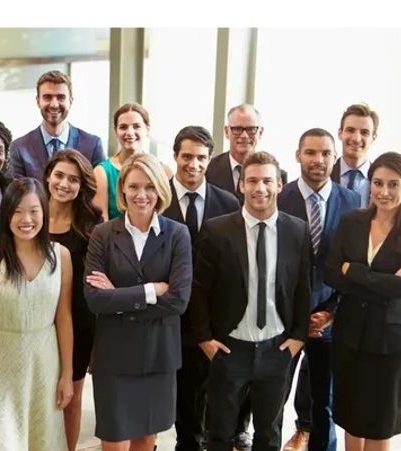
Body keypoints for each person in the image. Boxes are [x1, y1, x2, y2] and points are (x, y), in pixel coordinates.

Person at [190, 151, 311, 451]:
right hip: (230, 348)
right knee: (219, 432)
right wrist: (205, 339)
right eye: (252, 181)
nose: (260, 188)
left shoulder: (297, 230)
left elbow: (302, 289)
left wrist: (298, 338)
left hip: (276, 348)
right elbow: (200, 290)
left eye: (267, 181)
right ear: (241, 185)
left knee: (269, 435)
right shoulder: (217, 230)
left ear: (280, 185)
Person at [84, 153, 193, 450]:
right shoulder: (103, 234)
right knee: (114, 439)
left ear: (159, 189)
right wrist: (151, 290)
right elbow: (94, 299)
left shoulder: (177, 235)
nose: (140, 195)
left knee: (146, 437)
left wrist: (116, 297)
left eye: (148, 186)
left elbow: (179, 301)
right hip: (114, 355)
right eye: (133, 187)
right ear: (122, 191)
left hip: (158, 353)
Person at [0, 178, 74, 451]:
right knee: (4, 438)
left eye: (33, 210)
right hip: (0, 361)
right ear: (6, 215)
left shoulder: (61, 256)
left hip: (46, 360)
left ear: (44, 211)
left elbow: (63, 318)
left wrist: (67, 374)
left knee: (46, 437)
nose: (25, 219)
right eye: (17, 211)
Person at [278, 128, 360, 451]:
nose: (319, 160)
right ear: (298, 155)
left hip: (327, 316)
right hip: (284, 319)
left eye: (326, 153)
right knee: (274, 398)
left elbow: (353, 264)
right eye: (310, 152)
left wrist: (331, 312)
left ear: (334, 157)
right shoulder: (279, 197)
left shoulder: (351, 201)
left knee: (323, 404)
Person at [162, 126, 239, 451]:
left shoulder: (228, 201)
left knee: (211, 391)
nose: (193, 164)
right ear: (176, 156)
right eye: (187, 156)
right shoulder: (157, 197)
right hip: (170, 316)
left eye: (201, 158)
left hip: (214, 317)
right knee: (177, 390)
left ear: (210, 160)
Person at [325, 152, 401, 451]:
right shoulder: (352, 221)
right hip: (350, 334)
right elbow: (332, 272)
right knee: (351, 415)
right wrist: (384, 283)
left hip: (390, 340)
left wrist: (354, 271)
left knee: (380, 421)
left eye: (394, 184)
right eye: (378, 183)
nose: (384, 192)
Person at [44, 150, 103, 451]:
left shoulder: (91, 223)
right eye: (59, 176)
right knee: (40, 396)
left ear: (83, 186)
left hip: (78, 322)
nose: (64, 184)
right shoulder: (32, 214)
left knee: (71, 396)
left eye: (73, 179)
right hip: (37, 321)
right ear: (48, 176)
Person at [9, 70, 105, 180]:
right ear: (38, 101)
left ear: (71, 101)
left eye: (61, 97)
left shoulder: (92, 145)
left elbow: (100, 192)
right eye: (47, 97)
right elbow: (17, 195)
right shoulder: (19, 148)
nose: (54, 104)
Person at [93, 102, 172, 221]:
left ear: (147, 129)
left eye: (136, 126)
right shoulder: (102, 172)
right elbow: (101, 222)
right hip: (114, 238)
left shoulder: (164, 171)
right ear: (115, 131)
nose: (130, 133)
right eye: (123, 127)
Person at [206, 103, 288, 205]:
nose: (244, 135)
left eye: (251, 129)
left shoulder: (276, 175)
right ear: (227, 132)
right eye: (237, 129)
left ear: (260, 132)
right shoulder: (208, 170)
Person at [332, 103, 379, 207]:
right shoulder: (325, 176)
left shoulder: (381, 180)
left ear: (374, 137)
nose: (356, 139)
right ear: (340, 133)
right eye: (350, 130)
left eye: (364, 132)